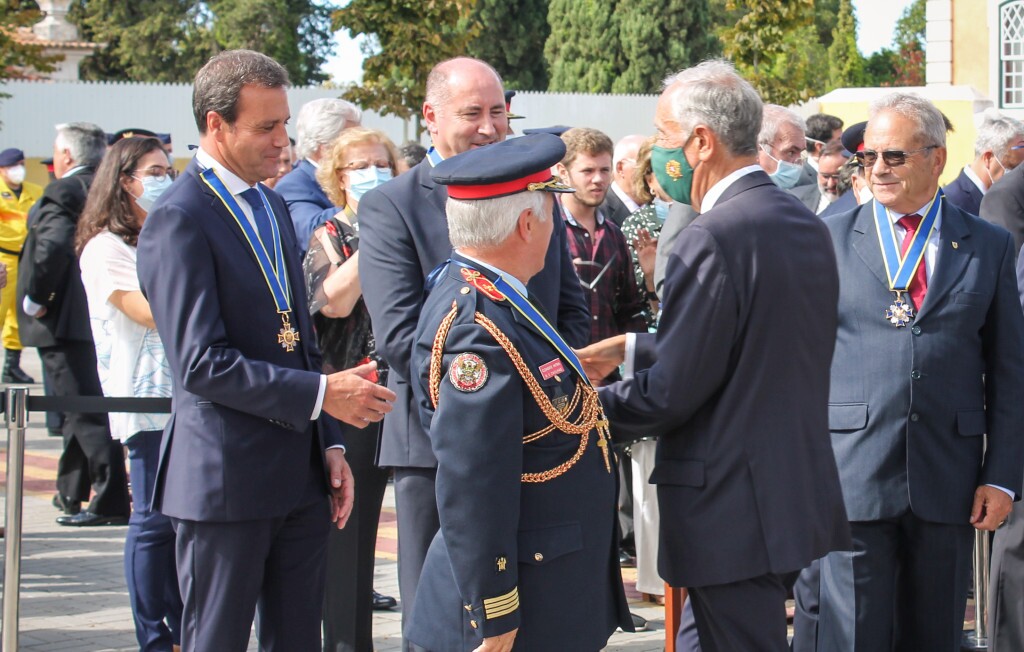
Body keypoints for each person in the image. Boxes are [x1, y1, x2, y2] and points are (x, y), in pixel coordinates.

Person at [576, 59, 850, 652]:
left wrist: (574, 413)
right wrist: (630, 348)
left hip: (727, 505)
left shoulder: (714, 233)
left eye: (664, 137)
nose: (657, 156)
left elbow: (675, 387)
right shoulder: (802, 223)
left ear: (701, 142)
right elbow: (755, 346)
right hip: (784, 494)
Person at [136, 49, 396, 651]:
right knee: (219, 638)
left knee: (297, 638)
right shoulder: (180, 216)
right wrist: (325, 394)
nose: (284, 141)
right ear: (216, 125)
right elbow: (200, 363)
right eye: (266, 127)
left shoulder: (272, 204)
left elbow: (297, 337)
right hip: (225, 477)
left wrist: (328, 439)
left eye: (284, 123)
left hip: (299, 473)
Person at [358, 56, 589, 651]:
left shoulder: (529, 185)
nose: (488, 127)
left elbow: (565, 311)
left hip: (537, 441)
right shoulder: (392, 204)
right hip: (436, 442)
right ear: (431, 118)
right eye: (472, 114)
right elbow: (402, 336)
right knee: (450, 620)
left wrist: (553, 396)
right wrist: (494, 389)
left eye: (498, 113)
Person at [803, 91, 1024, 652]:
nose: (877, 168)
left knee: (935, 636)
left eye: (894, 156)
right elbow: (799, 365)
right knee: (853, 637)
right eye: (868, 157)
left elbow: (1009, 372)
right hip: (849, 475)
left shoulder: (989, 245)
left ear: (936, 158)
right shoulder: (825, 240)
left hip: (948, 477)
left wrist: (1001, 476)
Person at [406, 132, 631, 651]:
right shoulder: (477, 328)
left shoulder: (501, 298)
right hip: (520, 598)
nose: (555, 226)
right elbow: (473, 479)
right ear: (529, 223)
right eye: (550, 210)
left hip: (551, 581)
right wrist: (495, 607)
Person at [76, 136, 181, 652]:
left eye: (168, 171)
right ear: (125, 181)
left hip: (188, 395)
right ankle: (153, 636)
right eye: (154, 171)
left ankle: (187, 628)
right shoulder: (105, 248)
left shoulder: (162, 236)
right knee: (153, 520)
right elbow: (145, 312)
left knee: (185, 521)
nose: (165, 180)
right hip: (144, 397)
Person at [304, 126, 400, 651]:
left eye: (382, 165)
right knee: (350, 536)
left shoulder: (407, 226)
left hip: (405, 393)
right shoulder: (330, 234)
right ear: (340, 178)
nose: (374, 175)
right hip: (352, 397)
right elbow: (333, 302)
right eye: (361, 167)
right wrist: (378, 236)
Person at [17, 121, 132, 526]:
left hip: (65, 320)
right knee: (77, 409)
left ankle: (109, 500)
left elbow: (52, 248)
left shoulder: (63, 190)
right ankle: (70, 490)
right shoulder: (110, 189)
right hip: (102, 316)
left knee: (85, 414)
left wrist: (36, 300)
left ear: (66, 155)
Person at [276, 98, 362, 251]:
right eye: (352, 142)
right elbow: (313, 232)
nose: (362, 148)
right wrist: (362, 202)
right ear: (325, 147)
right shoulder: (293, 186)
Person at [0, 147, 41, 383]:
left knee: (19, 314)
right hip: (3, 258)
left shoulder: (35, 192)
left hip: (25, 258)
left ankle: (11, 365)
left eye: (21, 164)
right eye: (12, 166)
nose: (19, 170)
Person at [944, 111, 1024, 216]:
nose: (1017, 177)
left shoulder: (1013, 195)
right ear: (988, 158)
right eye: (1013, 168)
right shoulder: (950, 202)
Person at [789, 140, 850, 215]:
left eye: (837, 177)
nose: (830, 184)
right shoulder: (795, 199)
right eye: (825, 176)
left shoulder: (862, 202)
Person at [757, 104, 807, 190]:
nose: (798, 163)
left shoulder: (793, 199)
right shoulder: (733, 197)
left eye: (801, 153)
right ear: (759, 148)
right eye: (791, 152)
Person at [601, 134, 647, 226]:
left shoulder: (661, 210)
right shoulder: (599, 211)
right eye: (646, 165)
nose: (654, 173)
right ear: (620, 168)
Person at [800, 113, 844, 186]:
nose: (843, 145)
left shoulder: (847, 172)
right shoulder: (800, 181)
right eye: (839, 140)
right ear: (820, 147)